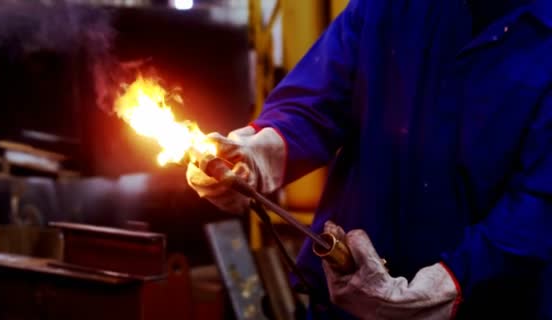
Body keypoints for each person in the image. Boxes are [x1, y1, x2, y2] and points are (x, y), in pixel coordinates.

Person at [187, 0, 552, 318]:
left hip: (489, 305)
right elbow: (318, 99)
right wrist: (260, 152)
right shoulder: (391, 5)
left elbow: (540, 203)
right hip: (349, 300)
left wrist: (456, 280)